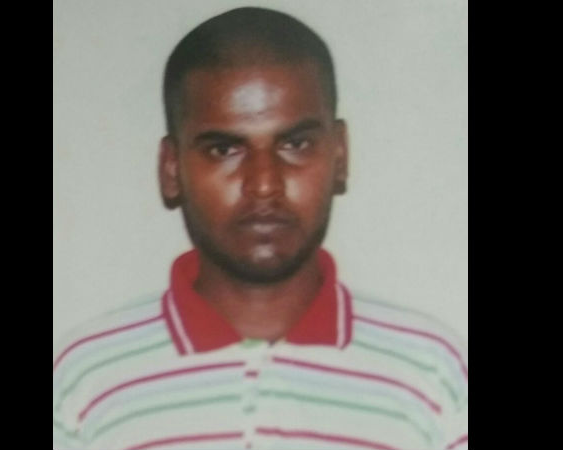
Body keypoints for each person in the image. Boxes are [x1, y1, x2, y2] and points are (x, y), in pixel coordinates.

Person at [53, 7, 468, 450]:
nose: (264, 183)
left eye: (296, 144)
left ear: (339, 155)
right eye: (224, 149)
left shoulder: (432, 375)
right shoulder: (85, 382)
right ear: (172, 168)